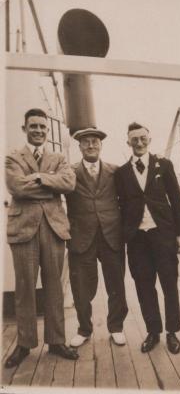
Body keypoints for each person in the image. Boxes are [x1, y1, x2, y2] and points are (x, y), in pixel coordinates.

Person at [4, 108, 78, 368]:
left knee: (54, 287)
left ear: (47, 131)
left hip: (54, 228)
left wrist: (36, 178)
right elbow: (16, 187)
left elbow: (68, 184)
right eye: (33, 126)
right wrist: (49, 184)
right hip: (23, 229)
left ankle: (57, 341)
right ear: (24, 128)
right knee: (25, 287)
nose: (38, 130)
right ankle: (24, 344)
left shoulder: (58, 157)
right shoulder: (13, 156)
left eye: (42, 127)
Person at [115, 122, 180, 354]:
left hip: (163, 235)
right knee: (144, 286)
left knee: (169, 284)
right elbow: (120, 206)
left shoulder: (163, 165)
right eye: (134, 139)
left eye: (142, 138)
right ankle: (153, 332)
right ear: (128, 142)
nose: (139, 142)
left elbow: (176, 200)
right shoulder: (121, 173)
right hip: (137, 239)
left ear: (149, 139)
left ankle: (172, 332)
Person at [66, 127, 128, 347]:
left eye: (94, 142)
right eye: (86, 142)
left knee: (116, 284)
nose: (91, 145)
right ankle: (84, 329)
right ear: (79, 146)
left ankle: (117, 327)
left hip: (111, 235)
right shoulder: (69, 171)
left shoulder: (115, 171)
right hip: (81, 237)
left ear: (101, 145)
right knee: (81, 287)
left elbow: (129, 200)